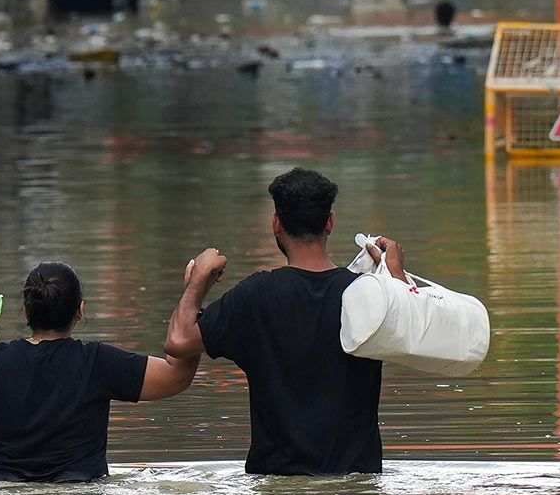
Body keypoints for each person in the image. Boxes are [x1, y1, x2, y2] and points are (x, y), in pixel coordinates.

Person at [165, 168, 406, 476]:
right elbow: (409, 335)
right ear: (330, 222)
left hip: (275, 486)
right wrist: (395, 280)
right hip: (357, 485)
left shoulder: (255, 296)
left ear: (276, 224)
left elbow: (179, 342)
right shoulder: (367, 295)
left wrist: (197, 281)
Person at [0, 261, 198, 482]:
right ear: (80, 310)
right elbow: (177, 375)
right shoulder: (97, 361)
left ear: (25, 312)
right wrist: (194, 295)